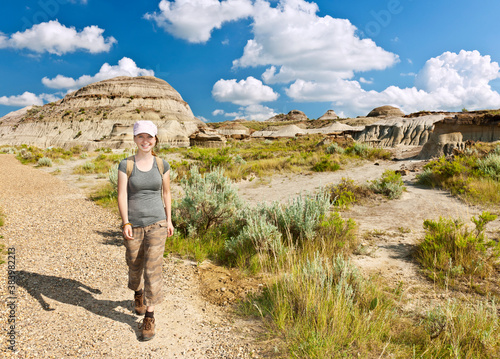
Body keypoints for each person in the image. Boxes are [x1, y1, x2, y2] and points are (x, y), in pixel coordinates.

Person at [117, 120, 174, 341]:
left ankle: (149, 316)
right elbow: (122, 194)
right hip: (134, 224)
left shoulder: (162, 165)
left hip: (157, 223)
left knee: (153, 269)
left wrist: (169, 220)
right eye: (141, 136)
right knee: (134, 264)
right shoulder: (126, 165)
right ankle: (138, 293)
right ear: (134, 139)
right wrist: (126, 222)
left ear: (155, 140)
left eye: (149, 137)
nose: (145, 141)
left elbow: (167, 193)